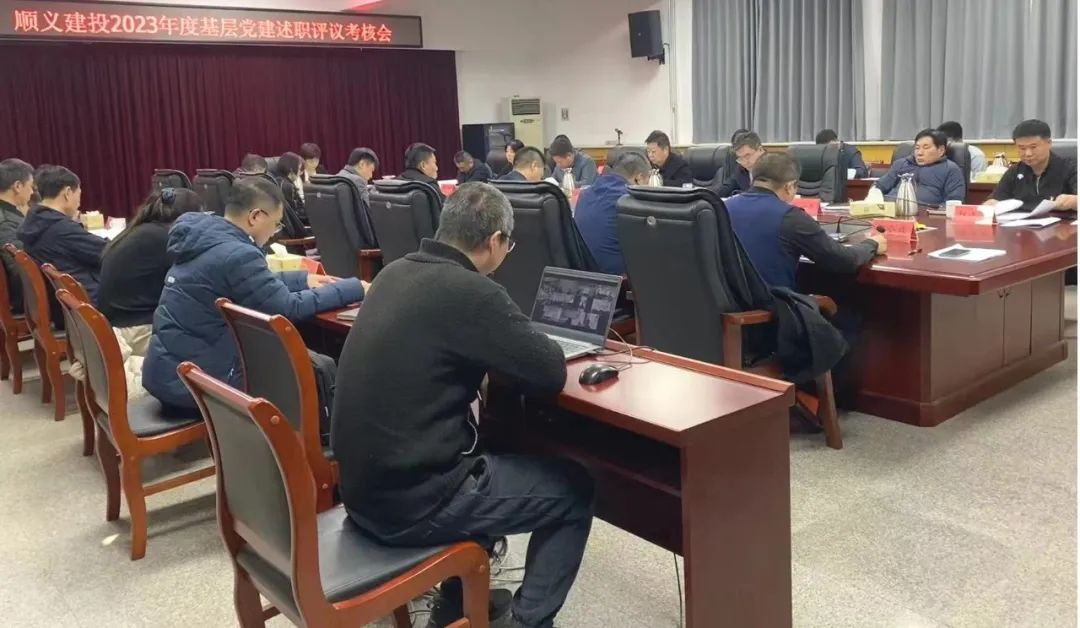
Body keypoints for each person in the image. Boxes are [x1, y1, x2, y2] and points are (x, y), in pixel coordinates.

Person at [332, 182, 592, 628]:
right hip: (410, 507)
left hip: (360, 493)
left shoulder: (394, 272)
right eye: (508, 245)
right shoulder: (472, 292)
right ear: (495, 241)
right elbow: (549, 370)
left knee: (488, 454)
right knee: (574, 491)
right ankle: (527, 623)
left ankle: (455, 607)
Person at [142, 179, 366, 413]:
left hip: (168, 373)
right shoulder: (238, 254)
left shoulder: (205, 238)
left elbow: (246, 282)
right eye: (276, 224)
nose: (274, 233)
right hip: (197, 387)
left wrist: (303, 280)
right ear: (255, 216)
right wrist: (355, 287)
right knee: (308, 368)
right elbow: (288, 307)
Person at [725, 153, 886, 291]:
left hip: (729, 308)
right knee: (852, 312)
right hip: (774, 309)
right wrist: (872, 244)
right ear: (789, 187)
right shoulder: (790, 217)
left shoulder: (723, 208)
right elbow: (844, 261)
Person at [97, 188, 205, 340]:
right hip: (135, 332)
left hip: (119, 324)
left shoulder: (142, 230)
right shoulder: (165, 238)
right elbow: (198, 277)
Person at [16, 165, 106, 301]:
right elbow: (108, 253)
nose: (79, 203)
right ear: (68, 193)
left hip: (65, 300)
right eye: (79, 195)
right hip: (89, 299)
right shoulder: (61, 228)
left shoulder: (34, 221)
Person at [574, 152, 652, 275]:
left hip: (583, 273)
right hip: (618, 278)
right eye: (648, 181)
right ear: (639, 178)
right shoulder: (629, 199)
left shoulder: (585, 194)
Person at [985, 119, 1078, 212]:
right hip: (1020, 221)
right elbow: (995, 199)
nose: (1028, 153)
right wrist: (992, 204)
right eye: (1022, 148)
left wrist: (1074, 201)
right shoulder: (1014, 172)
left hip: (1063, 220)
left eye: (1033, 147)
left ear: (1049, 143)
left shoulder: (1071, 168)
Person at [874, 129, 966, 206]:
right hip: (891, 210)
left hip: (926, 215)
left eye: (926, 148)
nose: (920, 153)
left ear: (941, 150)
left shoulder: (951, 170)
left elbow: (953, 202)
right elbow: (879, 186)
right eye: (917, 148)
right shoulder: (901, 163)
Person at [0, 159, 34, 313]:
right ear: (18, 186)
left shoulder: (9, 215)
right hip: (22, 298)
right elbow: (20, 268)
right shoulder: (5, 222)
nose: (32, 192)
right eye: (30, 186)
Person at [717, 131, 766, 197]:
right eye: (741, 158)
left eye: (747, 156)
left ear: (760, 150)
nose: (745, 162)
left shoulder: (775, 168)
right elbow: (725, 189)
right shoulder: (741, 169)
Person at [274, 151, 308, 236]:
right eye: (299, 169)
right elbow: (299, 215)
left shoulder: (275, 181)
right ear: (292, 169)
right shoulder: (289, 187)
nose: (300, 173)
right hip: (297, 231)